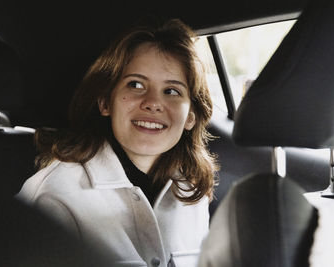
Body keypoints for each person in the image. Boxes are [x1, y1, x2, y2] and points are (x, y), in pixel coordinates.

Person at [16, 17, 218, 267]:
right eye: (135, 84)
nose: (153, 102)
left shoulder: (192, 192)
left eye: (172, 91)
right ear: (105, 102)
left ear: (191, 116)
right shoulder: (53, 195)